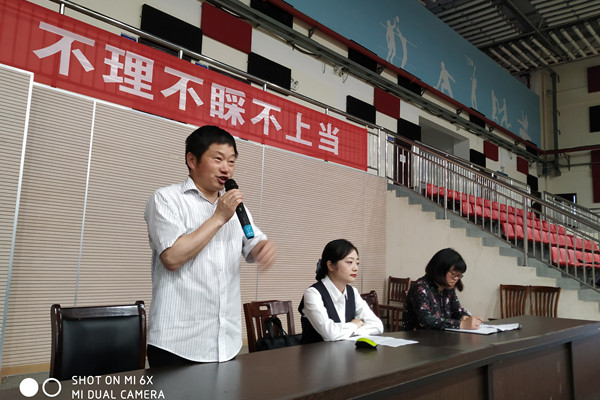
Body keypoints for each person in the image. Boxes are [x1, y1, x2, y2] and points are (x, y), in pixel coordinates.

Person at [144, 125, 276, 366]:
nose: (226, 168)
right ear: (192, 160)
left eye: (231, 161)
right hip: (177, 344)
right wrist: (218, 217)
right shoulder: (166, 199)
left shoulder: (235, 208)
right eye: (218, 159)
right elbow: (172, 257)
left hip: (226, 342)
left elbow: (254, 242)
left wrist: (262, 248)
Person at [298, 239, 383, 344]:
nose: (355, 268)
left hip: (346, 352)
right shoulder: (313, 294)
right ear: (330, 265)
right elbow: (330, 334)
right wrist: (354, 325)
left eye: (357, 263)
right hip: (315, 354)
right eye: (349, 262)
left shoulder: (352, 292)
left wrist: (351, 331)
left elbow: (377, 325)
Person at [403, 248, 483, 331]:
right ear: (440, 270)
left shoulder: (448, 288)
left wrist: (464, 317)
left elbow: (457, 310)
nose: (456, 279)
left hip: (440, 337)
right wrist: (461, 324)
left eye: (459, 275)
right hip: (419, 337)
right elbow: (426, 320)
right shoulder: (420, 288)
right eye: (453, 274)